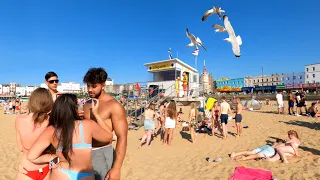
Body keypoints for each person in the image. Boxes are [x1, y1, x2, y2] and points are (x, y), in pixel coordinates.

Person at [27, 94, 113, 180]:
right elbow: (109, 137)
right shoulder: (87, 124)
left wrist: (52, 157)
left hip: (61, 173)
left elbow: (31, 156)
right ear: (74, 108)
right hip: (85, 175)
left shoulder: (52, 130)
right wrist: (96, 114)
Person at [83, 67, 128, 180]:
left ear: (103, 85)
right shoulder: (87, 104)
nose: (89, 89)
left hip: (102, 153)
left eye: (94, 86)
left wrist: (116, 168)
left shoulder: (114, 106)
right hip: (84, 153)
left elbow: (122, 137)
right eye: (88, 85)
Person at [15, 88, 54, 180]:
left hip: (26, 169)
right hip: (47, 168)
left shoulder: (19, 120)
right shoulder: (51, 121)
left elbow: (21, 148)